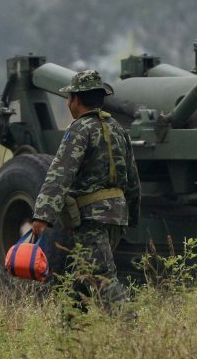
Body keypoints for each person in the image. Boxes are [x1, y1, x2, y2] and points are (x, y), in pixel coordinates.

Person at [31, 69, 141, 312]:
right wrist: (131, 216)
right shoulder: (118, 130)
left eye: (69, 97)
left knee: (102, 277)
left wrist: (42, 216)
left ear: (76, 100)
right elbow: (132, 179)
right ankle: (68, 333)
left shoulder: (79, 130)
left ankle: (133, 331)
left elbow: (60, 173)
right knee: (82, 277)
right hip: (116, 216)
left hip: (93, 218)